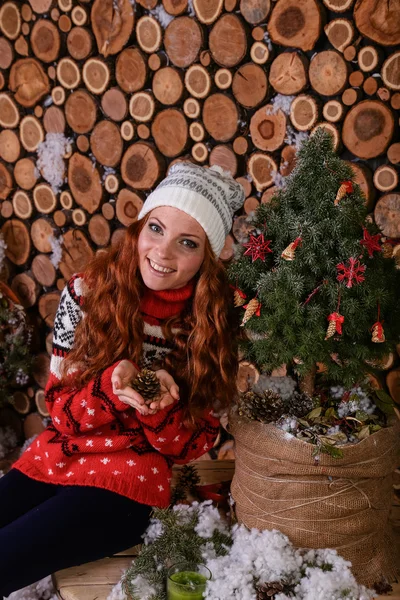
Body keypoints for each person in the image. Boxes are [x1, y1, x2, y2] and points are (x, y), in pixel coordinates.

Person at [0, 161, 245, 596]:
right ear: (138, 228)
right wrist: (112, 385)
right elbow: (60, 413)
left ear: (206, 255)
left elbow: (193, 444)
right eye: (155, 229)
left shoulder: (212, 322)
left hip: (129, 481)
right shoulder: (86, 292)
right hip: (61, 453)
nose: (162, 253)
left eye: (186, 242)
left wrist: (158, 409)